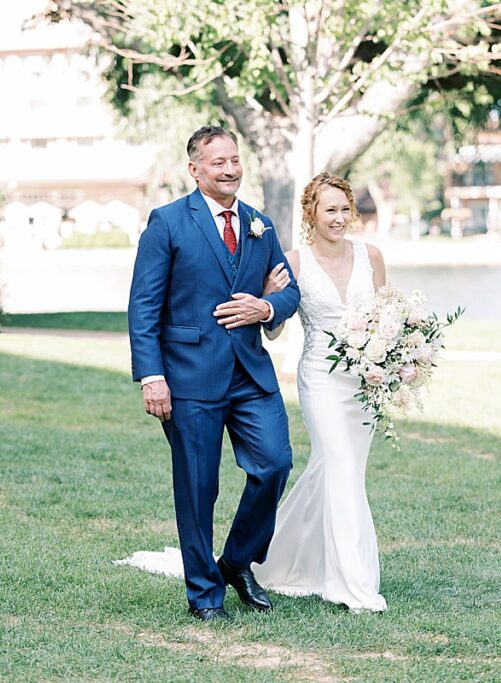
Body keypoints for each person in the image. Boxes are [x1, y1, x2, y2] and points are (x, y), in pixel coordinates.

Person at [127, 125, 301, 622]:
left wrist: (265, 307)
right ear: (195, 168)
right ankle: (205, 595)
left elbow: (289, 292)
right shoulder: (167, 223)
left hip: (250, 376)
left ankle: (236, 560)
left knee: (274, 464)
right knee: (198, 488)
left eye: (235, 159)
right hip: (187, 378)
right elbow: (143, 306)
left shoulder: (259, 224)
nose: (230, 169)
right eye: (218, 161)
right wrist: (151, 376)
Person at [252, 171, 388, 613]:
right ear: (311, 213)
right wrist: (271, 296)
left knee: (337, 471)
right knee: (341, 465)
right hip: (322, 380)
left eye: (344, 208)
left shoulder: (372, 256)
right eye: (329, 209)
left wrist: (397, 358)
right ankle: (354, 584)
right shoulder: (294, 261)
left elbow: (390, 318)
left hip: (365, 383)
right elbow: (273, 332)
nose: (339, 217)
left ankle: (283, 558)